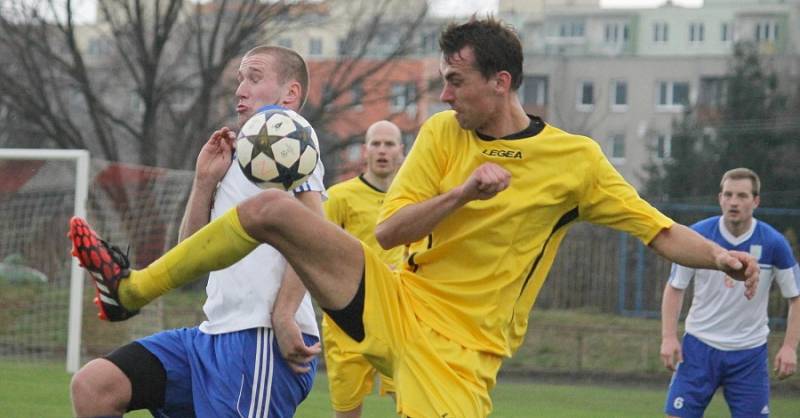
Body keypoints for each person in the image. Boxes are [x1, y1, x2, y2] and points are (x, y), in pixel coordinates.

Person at [69, 18, 760, 418]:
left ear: (501, 82)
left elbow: (662, 232)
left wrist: (723, 257)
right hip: (395, 298)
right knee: (270, 209)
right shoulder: (439, 135)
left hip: (459, 354)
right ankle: (128, 290)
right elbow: (390, 230)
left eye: (456, 79)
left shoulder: (574, 161)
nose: (444, 91)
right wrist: (461, 194)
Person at [69, 45, 324, 418]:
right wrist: (204, 181)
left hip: (261, 338)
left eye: (254, 78)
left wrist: (284, 315)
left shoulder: (288, 138)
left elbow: (314, 232)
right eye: (239, 80)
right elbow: (190, 252)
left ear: (290, 94)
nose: (240, 89)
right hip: (209, 338)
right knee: (96, 386)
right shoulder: (242, 153)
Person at [660, 168, 799, 418]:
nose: (734, 202)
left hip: (749, 352)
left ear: (755, 201)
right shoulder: (697, 237)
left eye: (742, 196)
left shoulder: (773, 243)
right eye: (729, 194)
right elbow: (675, 287)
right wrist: (668, 337)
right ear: (720, 198)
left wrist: (790, 346)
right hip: (699, 347)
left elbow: (796, 297)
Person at [322, 120, 405, 417]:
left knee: (414, 407)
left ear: (401, 151)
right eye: (376, 143)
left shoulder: (415, 198)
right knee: (346, 411)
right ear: (365, 150)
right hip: (348, 318)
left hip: (401, 317)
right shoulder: (338, 197)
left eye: (389, 144)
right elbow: (318, 253)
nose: (382, 150)